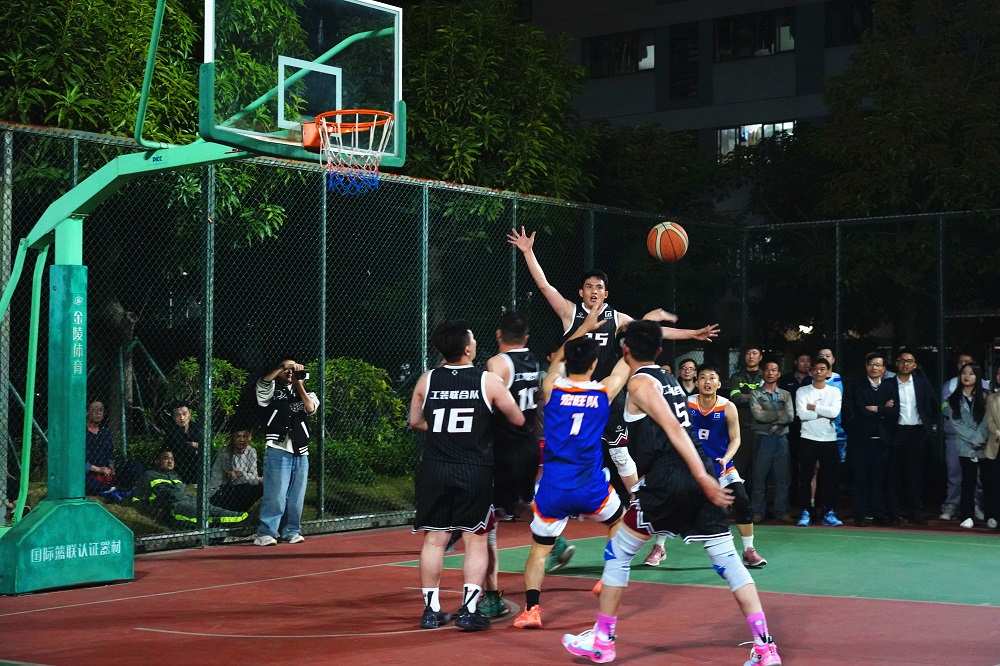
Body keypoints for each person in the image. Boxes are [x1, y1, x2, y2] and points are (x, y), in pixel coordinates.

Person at [561, 321, 781, 666]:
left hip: (671, 476)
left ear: (625, 350)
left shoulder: (640, 383)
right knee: (729, 562)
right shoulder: (669, 380)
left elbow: (675, 429)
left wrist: (700, 477)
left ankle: (603, 641)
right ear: (660, 351)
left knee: (618, 553)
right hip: (697, 469)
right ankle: (765, 647)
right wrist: (704, 475)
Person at [409, 320, 524, 632]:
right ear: (467, 349)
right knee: (475, 539)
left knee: (435, 539)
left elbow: (415, 420)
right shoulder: (487, 381)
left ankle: (431, 611)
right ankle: (469, 610)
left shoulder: (427, 379)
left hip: (434, 467)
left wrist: (444, 428)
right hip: (474, 468)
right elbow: (516, 418)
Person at [513, 335, 629, 631]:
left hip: (554, 488)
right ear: (593, 365)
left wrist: (582, 329)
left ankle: (531, 610)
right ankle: (609, 576)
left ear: (565, 359)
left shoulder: (552, 388)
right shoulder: (603, 392)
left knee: (539, 551)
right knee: (619, 520)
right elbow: (625, 367)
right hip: (591, 486)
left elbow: (556, 363)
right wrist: (631, 343)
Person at [507, 226, 720, 381]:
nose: (594, 291)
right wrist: (528, 252)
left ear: (606, 294)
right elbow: (545, 286)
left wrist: (692, 333)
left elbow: (653, 331)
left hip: (607, 389)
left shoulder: (616, 318)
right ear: (581, 292)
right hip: (576, 388)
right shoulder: (569, 311)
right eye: (589, 287)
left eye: (599, 287)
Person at [479, 311, 542, 618]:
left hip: (503, 450)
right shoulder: (534, 362)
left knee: (487, 522)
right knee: (522, 501)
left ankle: (493, 596)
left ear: (498, 334)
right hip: (529, 446)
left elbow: (490, 404)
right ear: (526, 338)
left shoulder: (497, 363)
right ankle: (553, 537)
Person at [689, 365, 766, 567]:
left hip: (721, 466)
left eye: (712, 377)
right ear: (696, 383)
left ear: (718, 384)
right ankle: (659, 547)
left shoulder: (728, 406)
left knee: (742, 502)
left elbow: (735, 439)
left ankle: (749, 550)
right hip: (693, 467)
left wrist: (726, 458)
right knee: (672, 504)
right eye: (703, 377)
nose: (707, 381)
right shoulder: (686, 404)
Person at [254, 358, 318, 547]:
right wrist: (284, 367)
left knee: (296, 497)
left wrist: (299, 385)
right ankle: (266, 533)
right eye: (287, 370)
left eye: (293, 370)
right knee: (276, 494)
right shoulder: (272, 389)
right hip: (278, 448)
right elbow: (263, 383)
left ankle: (291, 531)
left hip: (301, 451)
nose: (290, 373)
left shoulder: (306, 392)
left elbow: (310, 408)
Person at [848, 352, 900, 527]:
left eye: (878, 365)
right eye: (871, 364)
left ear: (884, 369)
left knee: (879, 480)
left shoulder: (889, 387)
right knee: (861, 479)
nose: (874, 367)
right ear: (866, 366)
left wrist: (876, 409)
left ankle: (879, 514)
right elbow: (860, 411)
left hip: (883, 441)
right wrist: (883, 409)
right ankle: (860, 515)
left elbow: (894, 412)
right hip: (862, 440)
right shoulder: (858, 385)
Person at [136, 448, 248, 528]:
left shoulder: (175, 475)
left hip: (189, 500)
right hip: (173, 505)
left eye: (172, 459)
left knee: (211, 508)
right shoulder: (149, 475)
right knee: (204, 513)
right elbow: (137, 499)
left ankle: (241, 518)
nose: (170, 461)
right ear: (156, 461)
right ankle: (237, 522)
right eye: (166, 458)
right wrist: (151, 509)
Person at [888, 349, 938, 525]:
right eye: (902, 360)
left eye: (909, 361)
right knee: (893, 475)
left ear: (915, 365)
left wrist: (928, 426)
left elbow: (929, 406)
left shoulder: (921, 383)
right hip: (896, 432)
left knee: (914, 475)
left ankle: (915, 512)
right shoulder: (888, 384)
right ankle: (893, 513)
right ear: (896, 363)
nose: (905, 364)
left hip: (917, 432)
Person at [939, 353, 989, 521]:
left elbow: (988, 419)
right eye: (961, 364)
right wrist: (973, 437)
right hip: (957, 438)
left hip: (981, 441)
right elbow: (950, 415)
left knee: (978, 477)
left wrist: (979, 438)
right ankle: (952, 505)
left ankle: (976, 506)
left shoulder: (985, 389)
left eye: (968, 365)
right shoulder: (950, 386)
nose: (966, 374)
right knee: (955, 473)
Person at [795, 358, 844, 527]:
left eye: (822, 369)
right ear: (810, 371)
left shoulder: (834, 391)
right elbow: (802, 414)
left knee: (830, 478)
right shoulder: (802, 391)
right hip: (807, 438)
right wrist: (824, 412)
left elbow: (834, 412)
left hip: (829, 439)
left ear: (828, 372)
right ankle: (806, 511)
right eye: (815, 368)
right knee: (805, 477)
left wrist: (814, 407)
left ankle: (829, 512)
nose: (818, 372)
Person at [750, 359, 795, 523]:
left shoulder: (785, 394)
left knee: (782, 478)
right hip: (763, 438)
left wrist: (772, 419)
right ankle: (757, 512)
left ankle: (782, 511)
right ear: (763, 373)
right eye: (767, 370)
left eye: (774, 370)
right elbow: (757, 415)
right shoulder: (756, 393)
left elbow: (790, 416)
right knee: (759, 477)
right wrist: (778, 414)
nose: (770, 373)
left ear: (779, 374)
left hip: (781, 439)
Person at [727, 346, 764, 494]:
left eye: (754, 353)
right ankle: (739, 502)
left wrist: (747, 396)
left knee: (759, 470)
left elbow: (766, 400)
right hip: (742, 428)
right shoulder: (736, 377)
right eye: (748, 353)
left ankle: (757, 505)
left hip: (761, 428)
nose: (751, 356)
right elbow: (735, 398)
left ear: (760, 357)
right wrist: (756, 396)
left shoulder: (765, 375)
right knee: (739, 468)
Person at [779, 351, 812, 509]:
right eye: (802, 360)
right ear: (795, 362)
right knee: (790, 464)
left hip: (809, 427)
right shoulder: (786, 379)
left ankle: (809, 501)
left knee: (808, 466)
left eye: (808, 361)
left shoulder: (813, 380)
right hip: (790, 428)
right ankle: (791, 501)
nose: (805, 364)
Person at [208, 428, 263, 513]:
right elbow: (233, 480)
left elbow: (253, 476)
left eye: (245, 436)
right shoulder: (226, 452)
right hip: (219, 492)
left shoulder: (251, 451)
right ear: (233, 438)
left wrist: (240, 474)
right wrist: (255, 478)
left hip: (241, 488)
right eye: (238, 436)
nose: (241, 440)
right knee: (246, 488)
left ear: (250, 437)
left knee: (260, 488)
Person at [85, 399, 120, 499]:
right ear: (87, 412)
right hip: (90, 472)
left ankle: (111, 489)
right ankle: (109, 490)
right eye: (95, 409)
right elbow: (77, 459)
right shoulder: (81, 432)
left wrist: (112, 468)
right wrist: (99, 469)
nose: (99, 412)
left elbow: (110, 453)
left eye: (101, 409)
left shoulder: (105, 432)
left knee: (135, 467)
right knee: (80, 479)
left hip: (106, 471)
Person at [164, 402, 200, 484]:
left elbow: (207, 446)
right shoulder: (171, 430)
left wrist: (193, 444)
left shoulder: (196, 427)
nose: (182, 418)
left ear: (189, 414)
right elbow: (182, 448)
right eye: (178, 415)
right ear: (174, 418)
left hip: (197, 464)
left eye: (184, 414)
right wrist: (195, 445)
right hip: (180, 464)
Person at [983, 389, 1000, 531]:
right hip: (995, 445)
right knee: (994, 484)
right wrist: (998, 433)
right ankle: (994, 517)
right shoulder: (991, 398)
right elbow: (989, 420)